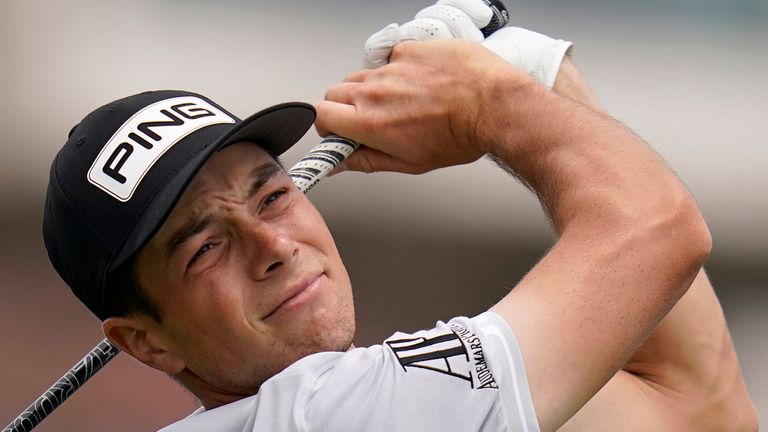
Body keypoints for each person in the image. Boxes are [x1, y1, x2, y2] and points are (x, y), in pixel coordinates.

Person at [42, 1, 757, 431]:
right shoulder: (326, 415)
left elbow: (699, 412)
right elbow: (660, 228)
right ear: (146, 343)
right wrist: (496, 100)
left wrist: (531, 81)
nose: (272, 245)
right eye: (204, 249)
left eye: (273, 195)